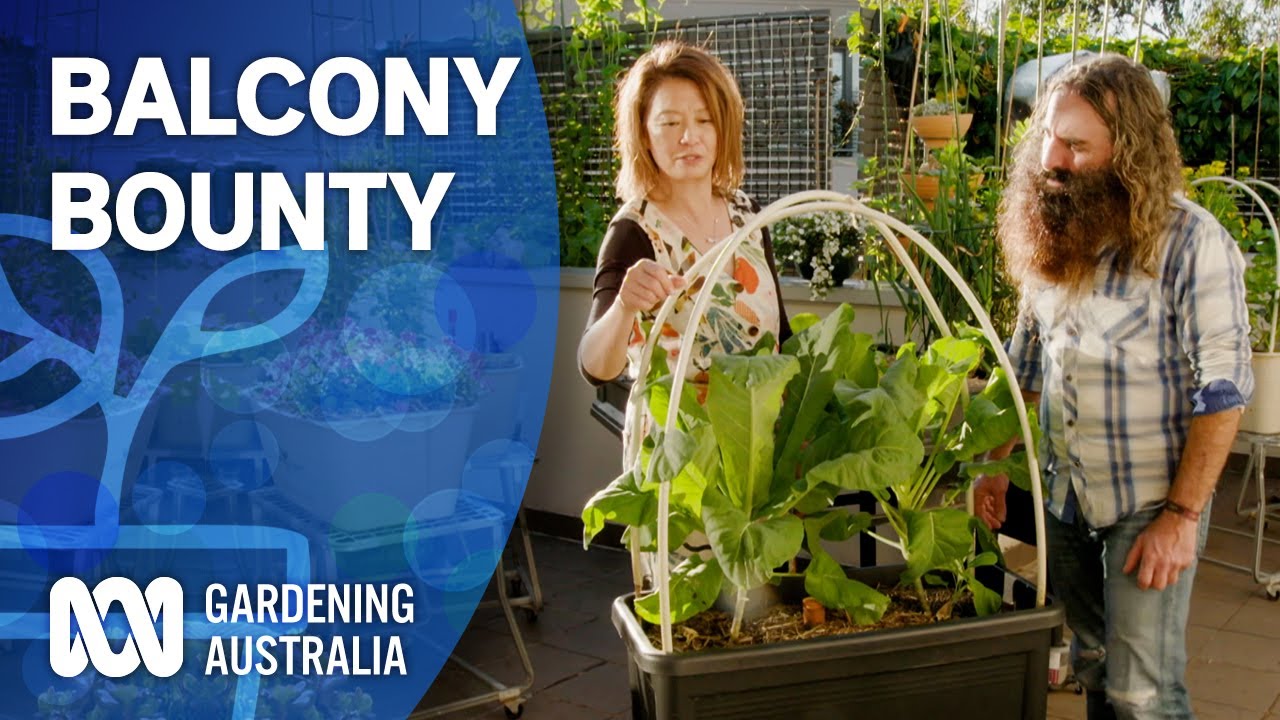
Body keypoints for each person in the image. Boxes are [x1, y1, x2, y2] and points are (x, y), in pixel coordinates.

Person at [975, 54, 1253, 720]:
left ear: (1126, 155)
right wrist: (995, 463)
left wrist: (1181, 520)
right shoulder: (1054, 229)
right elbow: (1027, 366)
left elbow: (1225, 389)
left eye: (1076, 146)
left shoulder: (1191, 244)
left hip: (1150, 501)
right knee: (1093, 663)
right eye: (1048, 135)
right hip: (1067, 494)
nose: (1054, 158)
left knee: (1144, 691)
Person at [579, 41, 792, 454]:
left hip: (757, 452)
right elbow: (594, 367)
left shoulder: (749, 216)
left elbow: (780, 334)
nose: (688, 137)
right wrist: (625, 306)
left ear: (723, 128)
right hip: (677, 464)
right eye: (670, 123)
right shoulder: (634, 232)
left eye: (704, 120)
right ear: (644, 133)